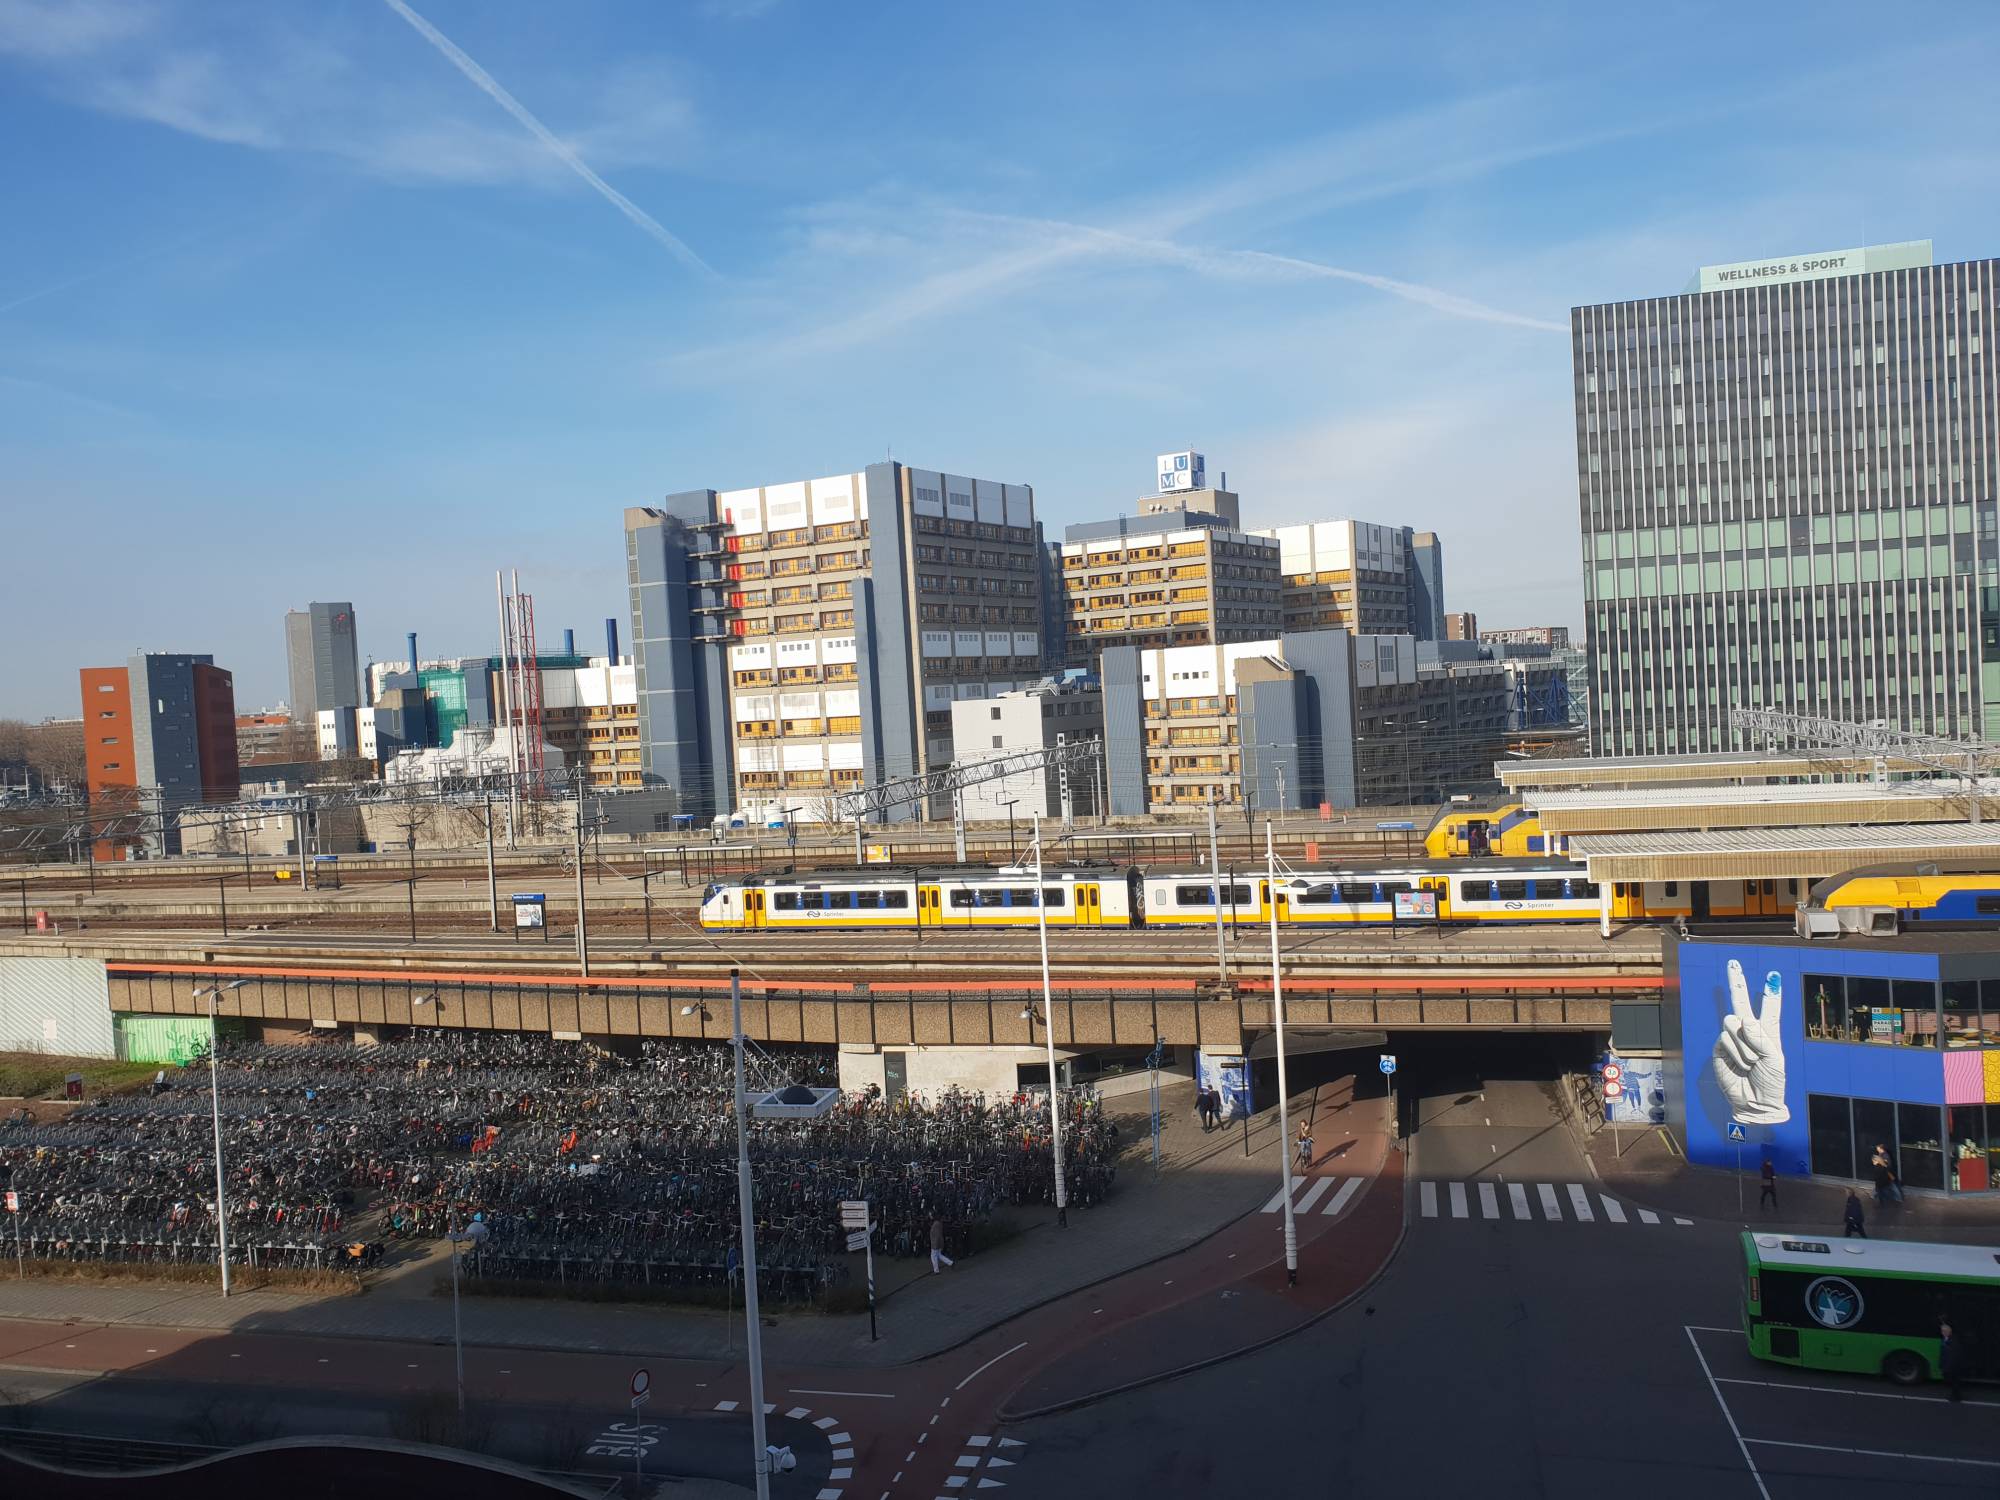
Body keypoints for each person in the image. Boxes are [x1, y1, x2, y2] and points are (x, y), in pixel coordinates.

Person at [1939, 1320, 1965, 1402]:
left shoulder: (1953, 1341)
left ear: (1948, 1332)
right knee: (1954, 1382)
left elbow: (1952, 1356)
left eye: (1944, 1331)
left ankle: (1956, 1397)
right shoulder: (1945, 1339)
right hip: (1950, 1365)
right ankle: (1956, 1396)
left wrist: (1947, 1367)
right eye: (1942, 1331)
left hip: (1953, 1366)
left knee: (1955, 1382)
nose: (1942, 1332)